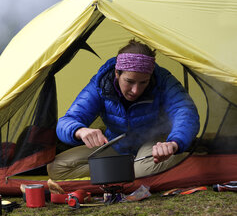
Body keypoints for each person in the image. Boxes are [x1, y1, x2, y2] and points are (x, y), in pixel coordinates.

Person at [47, 39, 200, 180]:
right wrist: (79, 131)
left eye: (143, 82)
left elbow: (185, 112)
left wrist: (174, 143)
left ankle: (187, 157)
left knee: (142, 171)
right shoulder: (100, 84)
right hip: (116, 146)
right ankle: (130, 170)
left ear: (150, 76)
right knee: (56, 168)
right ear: (117, 73)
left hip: (154, 145)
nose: (135, 90)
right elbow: (67, 121)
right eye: (129, 81)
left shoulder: (163, 80)